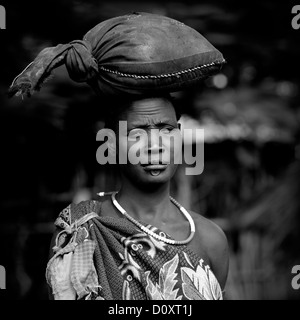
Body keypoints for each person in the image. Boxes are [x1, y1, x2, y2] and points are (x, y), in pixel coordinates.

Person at [9, 12, 229, 300]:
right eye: (137, 133)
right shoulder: (82, 229)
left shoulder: (210, 240)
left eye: (165, 129)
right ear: (111, 144)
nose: (155, 145)